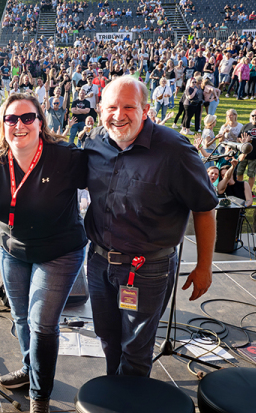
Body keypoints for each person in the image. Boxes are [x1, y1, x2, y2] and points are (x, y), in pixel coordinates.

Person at [0, 92, 88, 413]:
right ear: (2, 124)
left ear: (41, 122)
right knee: (21, 316)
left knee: (42, 324)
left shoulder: (65, 156)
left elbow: (107, 178)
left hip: (59, 251)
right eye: (11, 119)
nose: (19, 125)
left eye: (28, 117)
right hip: (12, 249)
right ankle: (30, 369)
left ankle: (40, 395)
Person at [82, 76, 217, 378]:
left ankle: (129, 405)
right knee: (107, 338)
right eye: (111, 107)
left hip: (147, 269)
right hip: (99, 261)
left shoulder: (175, 150)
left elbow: (204, 208)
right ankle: (115, 394)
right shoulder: (95, 142)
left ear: (145, 109)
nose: (119, 115)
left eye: (129, 107)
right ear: (100, 109)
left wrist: (204, 266)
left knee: (135, 349)